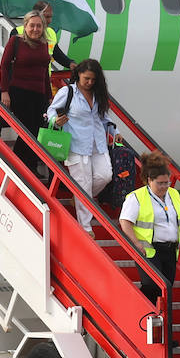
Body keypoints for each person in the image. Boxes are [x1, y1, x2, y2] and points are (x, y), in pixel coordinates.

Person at [45, 58, 114, 234]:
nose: (90, 83)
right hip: (75, 144)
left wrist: (115, 130)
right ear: (78, 76)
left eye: (93, 79)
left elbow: (103, 117)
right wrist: (56, 120)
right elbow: (51, 110)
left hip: (97, 143)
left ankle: (80, 198)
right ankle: (86, 227)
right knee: (83, 184)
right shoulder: (67, 91)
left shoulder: (98, 93)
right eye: (86, 79)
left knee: (105, 175)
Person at [118, 151, 180, 304]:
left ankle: (159, 319)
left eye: (167, 182)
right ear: (149, 180)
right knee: (153, 284)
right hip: (149, 250)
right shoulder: (136, 197)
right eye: (160, 183)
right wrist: (136, 244)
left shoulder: (174, 195)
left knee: (167, 287)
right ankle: (143, 310)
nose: (164, 187)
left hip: (170, 250)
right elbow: (125, 222)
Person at [0, 11, 51, 175]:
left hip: (40, 95)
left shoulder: (43, 44)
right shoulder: (16, 41)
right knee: (28, 130)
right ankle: (20, 166)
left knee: (39, 132)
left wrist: (50, 97)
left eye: (39, 26)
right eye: (32, 25)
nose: (35, 29)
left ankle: (31, 166)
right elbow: (4, 67)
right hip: (20, 92)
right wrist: (4, 91)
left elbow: (45, 73)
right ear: (25, 26)